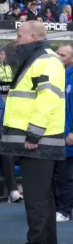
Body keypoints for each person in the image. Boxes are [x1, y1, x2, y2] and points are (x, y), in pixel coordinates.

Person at [0, 21, 65, 244]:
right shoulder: (41, 59)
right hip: (39, 140)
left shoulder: (45, 61)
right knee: (43, 196)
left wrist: (33, 135)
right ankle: (46, 243)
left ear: (34, 37)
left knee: (36, 197)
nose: (16, 40)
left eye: (19, 36)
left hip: (38, 141)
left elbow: (47, 100)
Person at [56, 43, 73, 222]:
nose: (58, 57)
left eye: (63, 55)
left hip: (69, 135)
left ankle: (65, 211)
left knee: (65, 176)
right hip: (58, 134)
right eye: (57, 54)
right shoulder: (59, 75)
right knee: (61, 175)